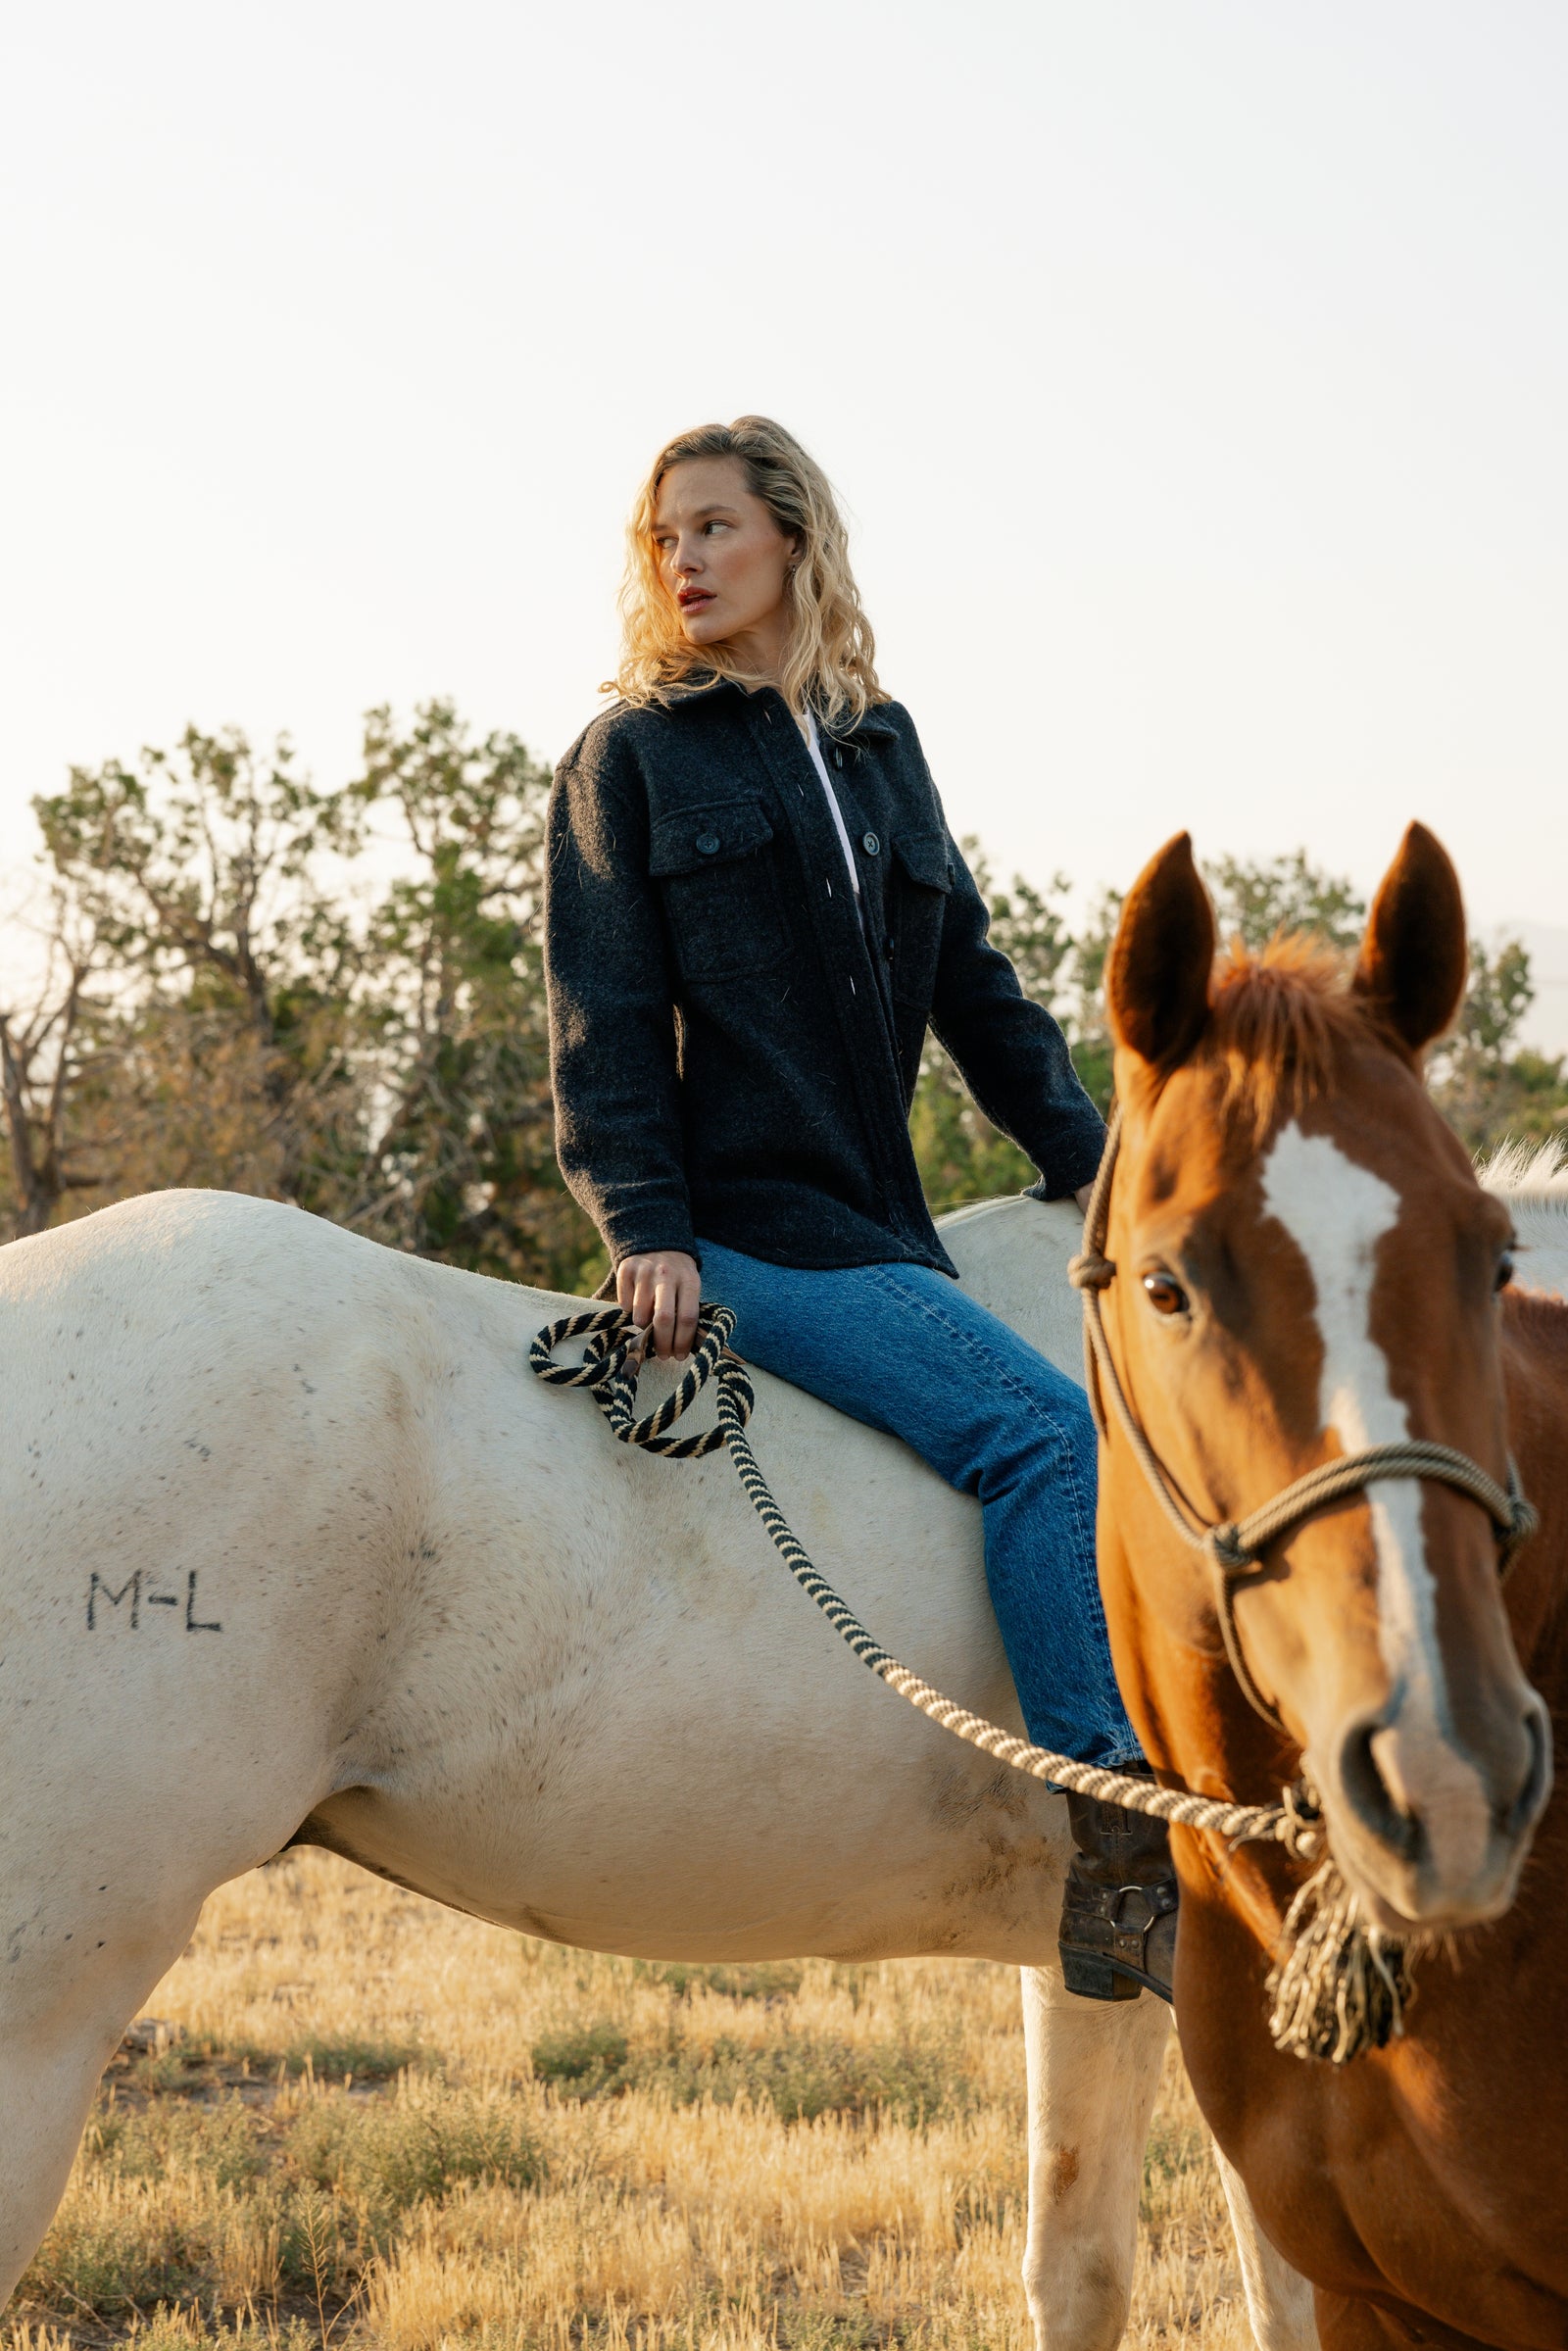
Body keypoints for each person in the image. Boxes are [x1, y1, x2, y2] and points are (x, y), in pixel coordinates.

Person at [543, 416, 1175, 2003]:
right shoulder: (631, 760)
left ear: (793, 542)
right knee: (1045, 1438)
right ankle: (1120, 1847)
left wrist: (1088, 1157)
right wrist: (648, 1230)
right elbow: (601, 1022)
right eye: (661, 540)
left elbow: (972, 979)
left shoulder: (879, 746)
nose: (681, 562)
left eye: (710, 530)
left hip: (887, 1225)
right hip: (752, 1235)